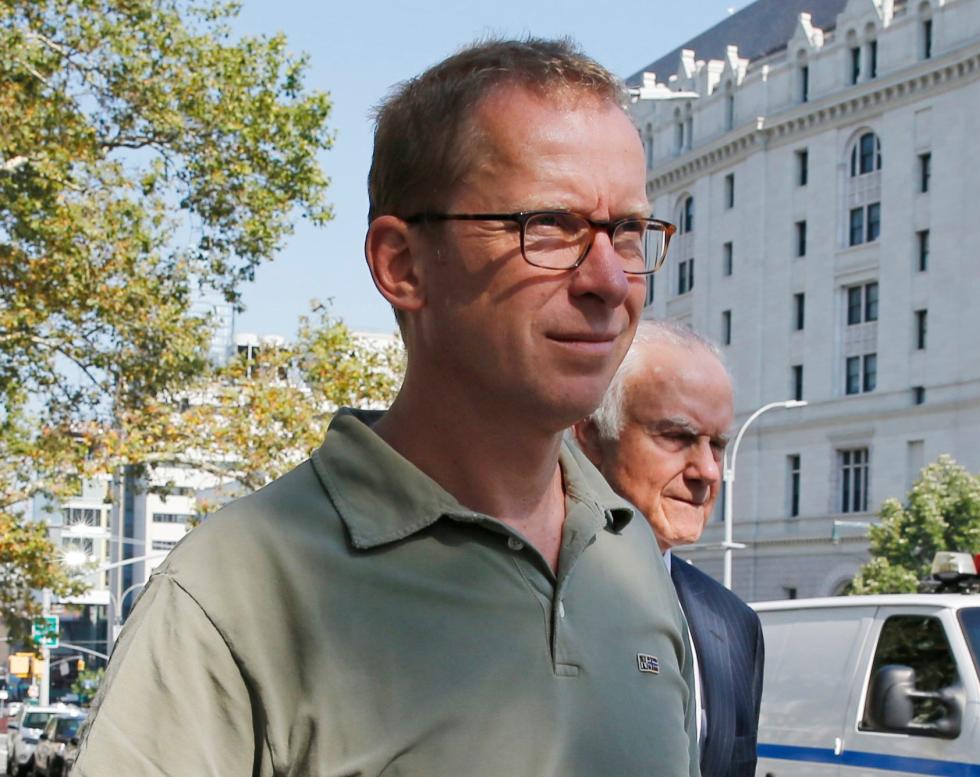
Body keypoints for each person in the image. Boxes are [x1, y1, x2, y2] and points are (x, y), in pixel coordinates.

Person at [73, 38, 700, 777]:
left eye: (627, 230)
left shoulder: (633, 563)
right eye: (551, 226)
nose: (608, 279)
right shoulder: (237, 591)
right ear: (401, 265)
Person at [573, 320, 764, 777]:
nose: (707, 471)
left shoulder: (733, 624)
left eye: (717, 445)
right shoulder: (520, 588)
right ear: (592, 435)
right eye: (677, 437)